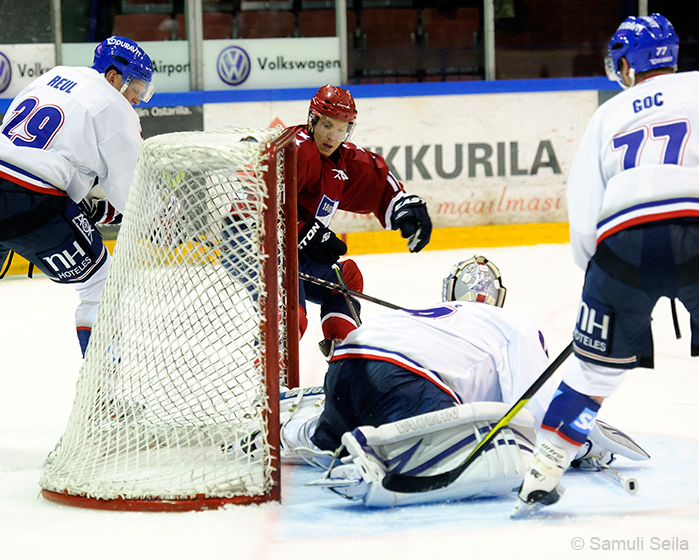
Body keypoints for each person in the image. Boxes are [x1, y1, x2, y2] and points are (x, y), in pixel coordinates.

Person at [0, 36, 155, 439]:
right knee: (102, 285)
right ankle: (102, 402)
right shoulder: (114, 104)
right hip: (30, 203)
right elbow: (132, 195)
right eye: (136, 88)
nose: (137, 99)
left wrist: (84, 206)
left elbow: (40, 150)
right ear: (114, 75)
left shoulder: (54, 77)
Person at [272, 256, 648, 508]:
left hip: (342, 370)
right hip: (404, 383)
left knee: (330, 433)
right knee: (505, 442)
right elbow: (538, 409)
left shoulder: (426, 315)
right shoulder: (514, 323)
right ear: (498, 298)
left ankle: (295, 431)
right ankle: (381, 452)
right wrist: (579, 448)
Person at [513, 13, 699, 516]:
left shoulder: (607, 114)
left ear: (626, 63)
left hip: (622, 245)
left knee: (591, 376)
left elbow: (583, 215)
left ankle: (541, 474)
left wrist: (604, 284)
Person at [287, 85, 433, 356]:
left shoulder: (338, 162)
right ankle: (267, 389)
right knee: (291, 317)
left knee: (348, 278)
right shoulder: (296, 150)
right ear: (312, 119)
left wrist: (401, 204)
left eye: (342, 128)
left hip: (291, 253)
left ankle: (343, 356)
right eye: (327, 125)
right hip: (257, 246)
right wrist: (300, 231)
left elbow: (373, 178)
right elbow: (256, 204)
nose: (333, 136)